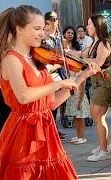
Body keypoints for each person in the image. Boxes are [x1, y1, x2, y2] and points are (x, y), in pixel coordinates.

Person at [0, 5, 100, 179]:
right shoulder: (11, 59)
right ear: (19, 29)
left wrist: (81, 77)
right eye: (37, 29)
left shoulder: (36, 58)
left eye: (43, 29)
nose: (42, 34)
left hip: (46, 126)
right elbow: (23, 96)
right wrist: (58, 83)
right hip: (23, 130)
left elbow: (51, 103)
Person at [82, 14, 111, 161]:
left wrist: (81, 58)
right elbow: (84, 56)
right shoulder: (94, 42)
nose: (87, 27)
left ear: (97, 26)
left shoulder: (104, 43)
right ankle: (106, 145)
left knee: (98, 115)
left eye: (90, 24)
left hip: (104, 81)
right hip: (96, 82)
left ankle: (104, 150)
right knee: (95, 115)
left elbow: (98, 63)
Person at [43, 10, 68, 140]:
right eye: (53, 19)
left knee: (56, 106)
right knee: (50, 106)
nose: (55, 21)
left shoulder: (58, 37)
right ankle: (49, 132)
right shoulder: (45, 39)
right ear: (46, 21)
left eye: (56, 19)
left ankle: (53, 130)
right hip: (50, 74)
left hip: (59, 74)